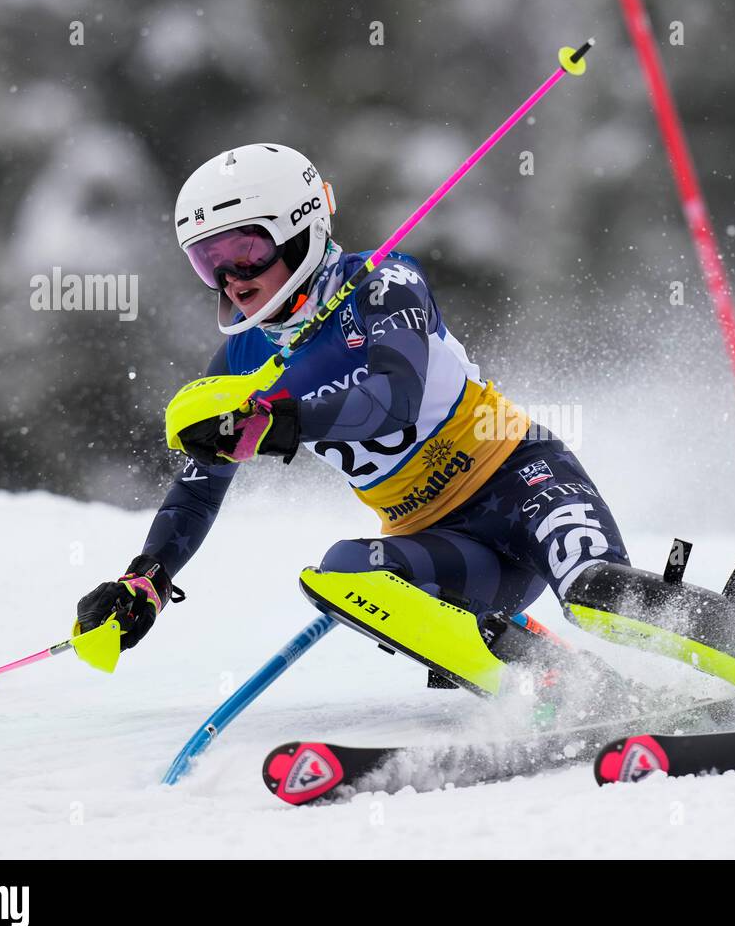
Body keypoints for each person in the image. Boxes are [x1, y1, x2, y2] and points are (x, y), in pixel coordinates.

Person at [74, 143, 633, 699]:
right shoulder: (243, 362)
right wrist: (148, 576)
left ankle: (720, 630)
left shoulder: (383, 286)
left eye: (245, 252)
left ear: (301, 230)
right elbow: (198, 490)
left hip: (521, 485)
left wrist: (279, 423)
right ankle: (552, 687)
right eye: (208, 263)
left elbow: (396, 398)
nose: (231, 280)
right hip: (442, 548)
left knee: (600, 598)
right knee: (343, 574)